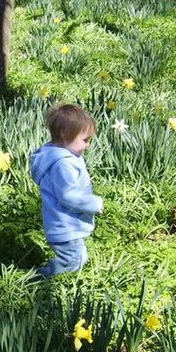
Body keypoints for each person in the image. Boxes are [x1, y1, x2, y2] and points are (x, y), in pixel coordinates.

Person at [30, 104, 103, 278]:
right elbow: (67, 195)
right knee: (74, 260)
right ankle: (40, 278)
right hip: (65, 225)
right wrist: (94, 203)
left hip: (66, 223)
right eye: (85, 140)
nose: (88, 145)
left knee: (76, 257)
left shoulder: (63, 156)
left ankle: (50, 276)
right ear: (65, 135)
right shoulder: (62, 164)